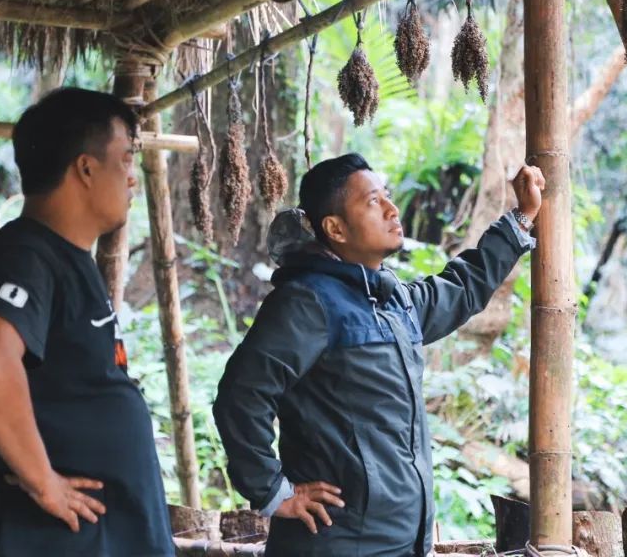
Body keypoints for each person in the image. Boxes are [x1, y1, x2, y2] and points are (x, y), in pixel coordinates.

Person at [213, 153, 545, 557]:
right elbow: (241, 395)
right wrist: (272, 492)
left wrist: (520, 220)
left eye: (387, 196)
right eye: (373, 201)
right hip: (338, 544)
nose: (391, 209)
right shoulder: (306, 302)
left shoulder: (391, 301)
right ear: (334, 227)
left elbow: (463, 288)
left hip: (401, 542)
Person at [0, 88, 173, 557]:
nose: (132, 179)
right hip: (49, 537)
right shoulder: (25, 256)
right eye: (125, 159)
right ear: (85, 169)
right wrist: (42, 480)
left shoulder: (64, 258)